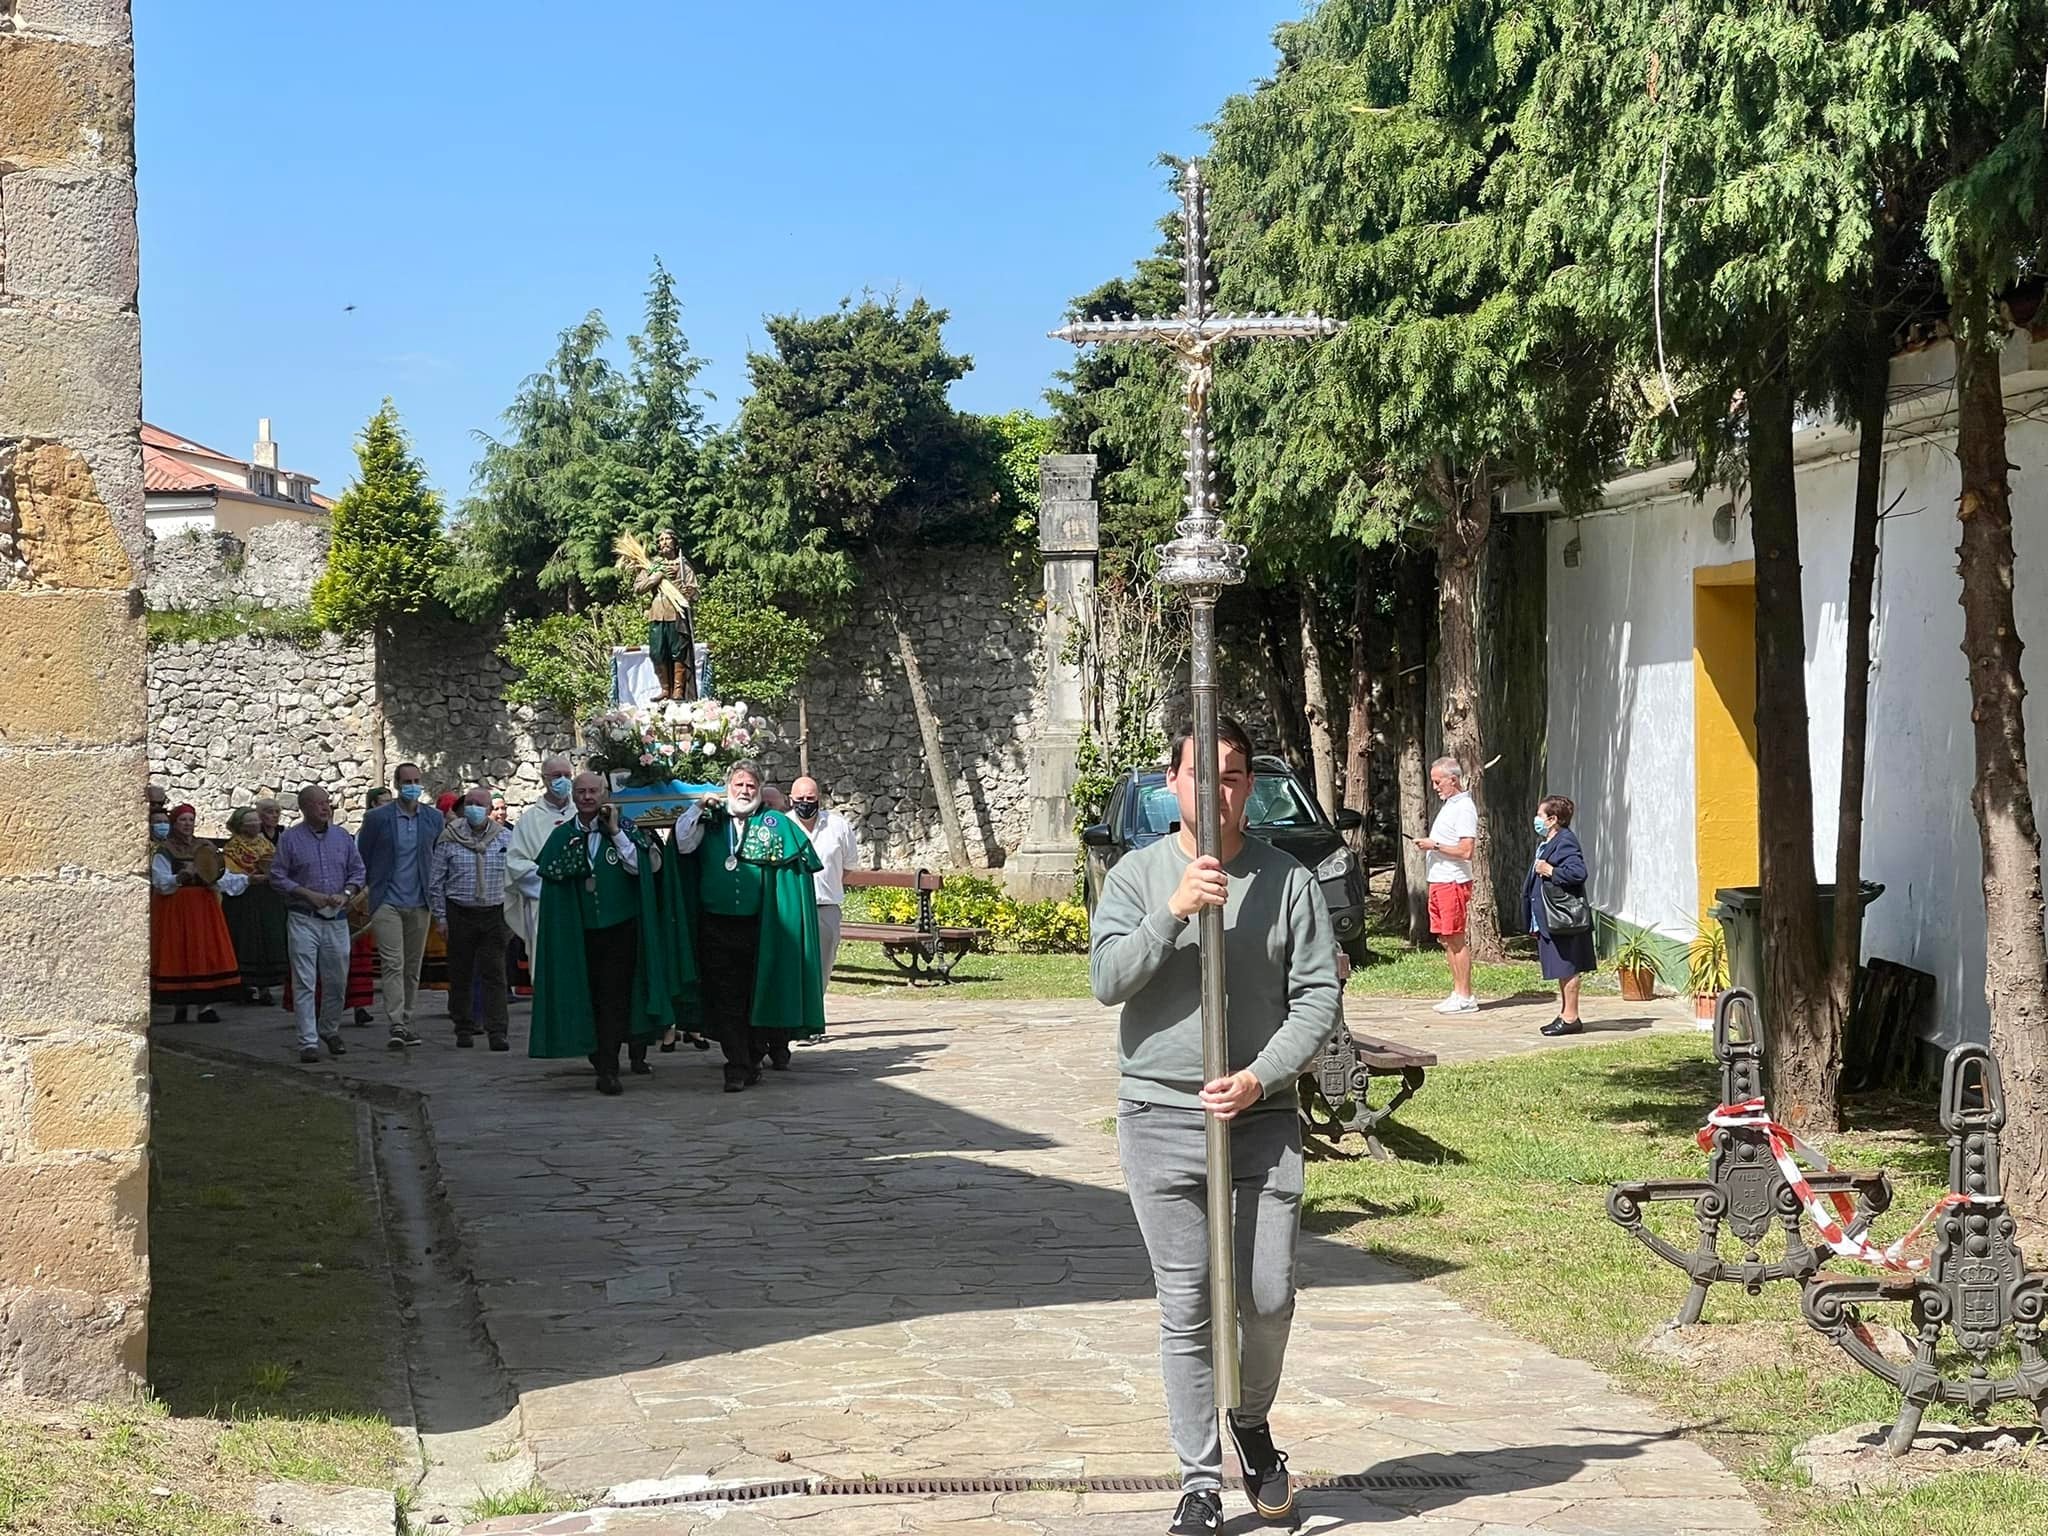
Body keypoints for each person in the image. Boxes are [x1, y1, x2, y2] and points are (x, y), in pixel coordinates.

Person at [1089, 717, 1342, 1535]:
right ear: (1174, 781)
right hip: (1160, 1115)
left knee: (1267, 1296)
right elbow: (1107, 980)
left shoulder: (1288, 882)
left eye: (1233, 775)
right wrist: (1172, 911)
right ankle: (1200, 1479)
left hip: (1261, 1118)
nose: (1218, 790)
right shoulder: (1135, 876)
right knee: (1188, 1302)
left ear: (1249, 786)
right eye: (1203, 773)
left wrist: (1261, 1074)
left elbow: (1317, 998)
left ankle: (1253, 1423)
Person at [673, 761, 826, 1092]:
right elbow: (683, 843)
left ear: (759, 789)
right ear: (728, 787)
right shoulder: (711, 819)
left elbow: (799, 868)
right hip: (716, 925)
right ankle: (737, 1065)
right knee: (726, 997)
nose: (744, 791)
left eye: (751, 786)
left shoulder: (773, 823)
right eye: (739, 785)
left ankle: (754, 1056)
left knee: (758, 994)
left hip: (762, 928)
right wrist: (698, 806)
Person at [529, 772, 674, 1094]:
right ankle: (599, 1056)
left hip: (620, 928)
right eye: (581, 791)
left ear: (605, 793)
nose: (587, 797)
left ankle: (609, 1067)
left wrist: (615, 832)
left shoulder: (625, 830)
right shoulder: (562, 836)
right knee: (590, 996)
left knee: (614, 998)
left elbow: (643, 868)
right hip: (580, 931)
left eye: (593, 791)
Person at [268, 785, 366, 1064]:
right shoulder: (290, 840)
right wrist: (305, 893)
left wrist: (346, 893)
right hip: (303, 918)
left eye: (327, 803)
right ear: (304, 808)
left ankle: (329, 1029)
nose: (325, 808)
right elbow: (277, 876)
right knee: (305, 982)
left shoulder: (342, 837)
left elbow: (358, 871)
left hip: (335, 919)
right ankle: (308, 1041)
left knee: (337, 981)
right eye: (319, 804)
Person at [357, 763, 441, 1049]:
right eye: (407, 781)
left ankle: (407, 1017)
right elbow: (364, 855)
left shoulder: (433, 818)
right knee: (393, 962)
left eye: (417, 781)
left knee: (412, 965)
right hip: (387, 900)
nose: (413, 786)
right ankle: (396, 1022)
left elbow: (438, 855)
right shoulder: (377, 818)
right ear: (396, 784)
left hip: (420, 900)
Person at [431, 785, 516, 1051]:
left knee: (495, 973)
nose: (475, 809)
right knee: (461, 973)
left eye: (481, 804)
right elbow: (436, 881)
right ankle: (464, 1027)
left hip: (494, 912)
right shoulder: (449, 838)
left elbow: (516, 878)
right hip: (460, 912)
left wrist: (512, 916)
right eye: (470, 803)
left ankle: (497, 1031)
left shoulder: (505, 838)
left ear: (490, 810)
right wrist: (441, 918)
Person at [149, 803, 245, 1024]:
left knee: (203, 949)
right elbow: (161, 881)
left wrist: (234, 879)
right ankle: (179, 1003)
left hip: (203, 905)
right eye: (183, 820)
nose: (187, 824)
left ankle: (205, 1006)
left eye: (191, 820)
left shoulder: (205, 847)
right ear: (174, 823)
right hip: (176, 906)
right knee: (179, 950)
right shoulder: (165, 850)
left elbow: (220, 872)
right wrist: (180, 877)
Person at [790, 776, 858, 1040]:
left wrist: (826, 886)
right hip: (794, 908)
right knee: (794, 966)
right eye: (800, 799)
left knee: (821, 968)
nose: (805, 804)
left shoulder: (838, 826)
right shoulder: (784, 823)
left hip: (825, 906)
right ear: (791, 799)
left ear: (819, 799)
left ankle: (812, 1022)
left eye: (811, 799)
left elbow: (849, 866)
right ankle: (792, 1020)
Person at [1415, 756, 1480, 1014]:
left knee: (1455, 938)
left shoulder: (1464, 807)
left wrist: (1435, 846)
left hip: (1453, 880)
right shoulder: (1450, 805)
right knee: (1445, 937)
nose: (1435, 787)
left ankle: (1466, 995)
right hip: (1439, 879)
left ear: (1453, 779)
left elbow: (1466, 850)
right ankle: (1456, 991)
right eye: (1433, 782)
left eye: (1438, 781)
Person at [1526, 794, 1595, 1037]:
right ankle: (1565, 1012)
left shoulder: (1566, 841)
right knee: (1560, 966)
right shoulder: (1549, 841)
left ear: (1553, 819)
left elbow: (1578, 872)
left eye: (1540, 815)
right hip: (1550, 918)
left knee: (1568, 966)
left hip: (1564, 918)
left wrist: (1550, 870)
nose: (1536, 819)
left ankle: (1571, 1017)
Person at [507, 755, 578, 969]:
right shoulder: (529, 820)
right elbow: (515, 862)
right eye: (557, 776)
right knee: (549, 963)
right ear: (544, 779)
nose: (563, 780)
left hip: (579, 899)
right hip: (544, 902)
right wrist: (552, 880)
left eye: (567, 775)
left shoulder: (582, 813)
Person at [221, 806, 288, 1006]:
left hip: (268, 898)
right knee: (246, 941)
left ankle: (265, 987)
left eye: (256, 821)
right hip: (244, 901)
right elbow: (226, 876)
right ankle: (244, 985)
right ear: (240, 826)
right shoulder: (232, 849)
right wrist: (248, 879)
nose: (255, 825)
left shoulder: (266, 845)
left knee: (269, 940)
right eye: (250, 822)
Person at [634, 527, 699, 701]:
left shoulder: (683, 566)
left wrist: (689, 592)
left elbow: (695, 592)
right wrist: (656, 578)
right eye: (661, 540)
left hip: (676, 612)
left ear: (675, 542)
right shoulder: (652, 565)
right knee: (657, 652)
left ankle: (678, 689)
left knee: (678, 651)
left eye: (667, 539)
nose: (664, 543)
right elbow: (638, 588)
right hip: (657, 612)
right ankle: (665, 689)